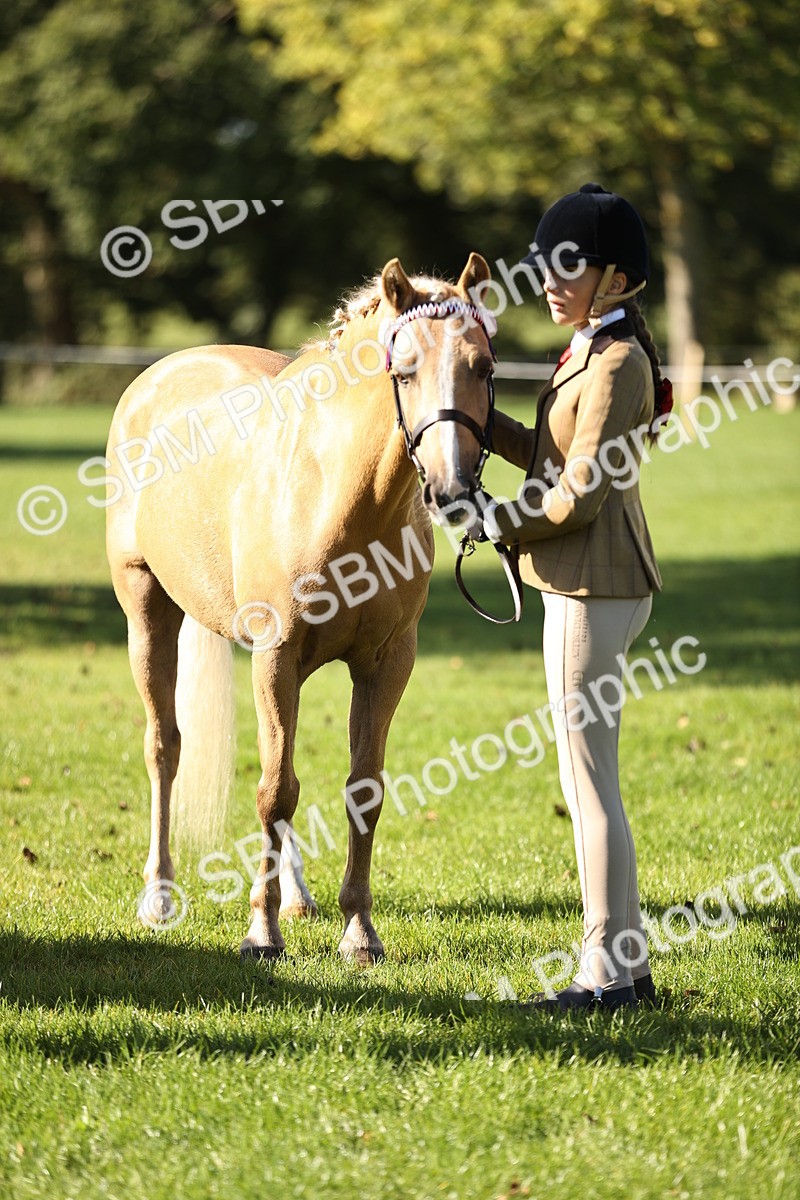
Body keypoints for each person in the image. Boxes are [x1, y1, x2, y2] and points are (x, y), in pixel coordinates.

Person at [480, 182, 672, 1011]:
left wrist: (498, 523)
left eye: (570, 268)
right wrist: (481, 422)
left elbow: (579, 495)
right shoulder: (594, 346)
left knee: (589, 783)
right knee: (591, 777)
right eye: (546, 268)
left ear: (618, 277)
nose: (551, 283)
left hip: (591, 577)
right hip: (592, 576)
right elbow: (550, 461)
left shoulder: (619, 360)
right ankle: (627, 969)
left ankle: (601, 974)